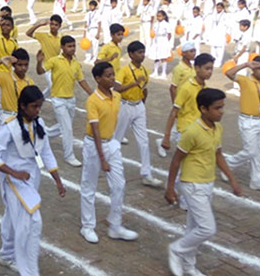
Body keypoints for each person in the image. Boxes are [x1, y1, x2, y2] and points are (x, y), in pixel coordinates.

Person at [0, 85, 66, 276]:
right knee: (32, 222)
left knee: (12, 218)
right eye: (34, 107)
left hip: (32, 179)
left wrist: (57, 179)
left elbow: (46, 152)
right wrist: (14, 173)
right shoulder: (9, 127)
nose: (37, 111)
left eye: (40, 106)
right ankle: (31, 275)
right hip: (14, 180)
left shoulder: (39, 123)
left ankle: (6, 255)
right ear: (23, 106)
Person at [165, 88, 242, 276]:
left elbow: (218, 155)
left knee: (193, 227)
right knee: (207, 228)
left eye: (222, 107)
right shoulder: (192, 132)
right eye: (217, 108)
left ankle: (189, 266)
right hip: (192, 184)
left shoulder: (218, 128)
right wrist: (170, 187)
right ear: (203, 109)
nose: (222, 111)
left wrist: (232, 179)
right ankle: (176, 249)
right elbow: (176, 160)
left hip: (207, 183)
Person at [79, 62, 136, 243]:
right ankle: (87, 226)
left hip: (111, 144)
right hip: (94, 145)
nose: (112, 78)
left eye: (113, 75)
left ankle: (115, 225)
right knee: (89, 186)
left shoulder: (117, 96)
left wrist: (114, 144)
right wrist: (102, 158)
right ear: (98, 79)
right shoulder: (92, 101)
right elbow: (95, 130)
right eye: (108, 76)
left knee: (119, 184)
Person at [37, 35, 93, 167]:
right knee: (67, 128)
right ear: (62, 47)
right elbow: (40, 71)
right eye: (69, 46)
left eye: (74, 46)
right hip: (58, 100)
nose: (72, 49)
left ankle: (44, 133)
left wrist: (92, 94)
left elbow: (81, 81)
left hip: (71, 100)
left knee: (64, 125)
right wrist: (39, 62)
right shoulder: (54, 61)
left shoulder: (75, 63)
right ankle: (69, 155)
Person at [113, 41, 162, 188]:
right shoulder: (125, 70)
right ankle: (110, 166)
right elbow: (117, 88)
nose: (142, 55)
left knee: (144, 141)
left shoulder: (145, 70)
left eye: (143, 52)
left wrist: (142, 103)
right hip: (125, 106)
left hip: (139, 106)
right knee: (117, 139)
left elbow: (144, 88)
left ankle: (146, 174)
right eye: (139, 52)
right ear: (131, 54)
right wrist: (133, 84)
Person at [223, 57, 260, 193]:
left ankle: (256, 180)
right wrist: (245, 64)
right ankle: (227, 164)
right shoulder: (245, 80)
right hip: (248, 120)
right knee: (250, 150)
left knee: (258, 152)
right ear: (253, 68)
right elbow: (229, 73)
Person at [159, 53, 215, 158]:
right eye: (207, 68)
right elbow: (174, 112)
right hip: (185, 132)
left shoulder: (205, 89)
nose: (210, 72)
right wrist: (166, 137)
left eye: (211, 69)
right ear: (197, 68)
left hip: (198, 131)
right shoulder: (186, 88)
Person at [0, 49, 35, 124]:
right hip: (8, 116)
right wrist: (0, 61)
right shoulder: (5, 77)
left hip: (23, 117)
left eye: (26, 64)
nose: (23, 68)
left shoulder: (30, 82)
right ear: (13, 65)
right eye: (20, 65)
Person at [26, 15, 62, 98]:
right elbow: (28, 33)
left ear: (59, 26)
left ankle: (40, 99)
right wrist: (39, 24)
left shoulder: (61, 37)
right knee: (53, 85)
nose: (53, 26)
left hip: (56, 66)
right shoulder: (43, 36)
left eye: (56, 25)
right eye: (52, 24)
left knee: (53, 86)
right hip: (46, 65)